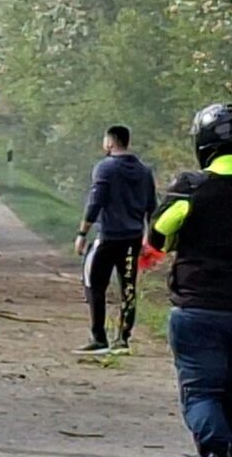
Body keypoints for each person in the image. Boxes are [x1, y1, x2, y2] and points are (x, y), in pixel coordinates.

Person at [149, 104, 232, 457]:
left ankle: (216, 444)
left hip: (199, 307)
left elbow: (158, 235)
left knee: (202, 391)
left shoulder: (193, 187)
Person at [73, 124, 157, 355]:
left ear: (110, 142)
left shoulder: (105, 168)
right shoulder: (144, 171)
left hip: (108, 236)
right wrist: (147, 239)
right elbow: (152, 207)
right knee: (128, 287)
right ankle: (123, 338)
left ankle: (98, 336)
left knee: (93, 284)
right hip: (133, 239)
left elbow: (95, 201)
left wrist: (82, 233)